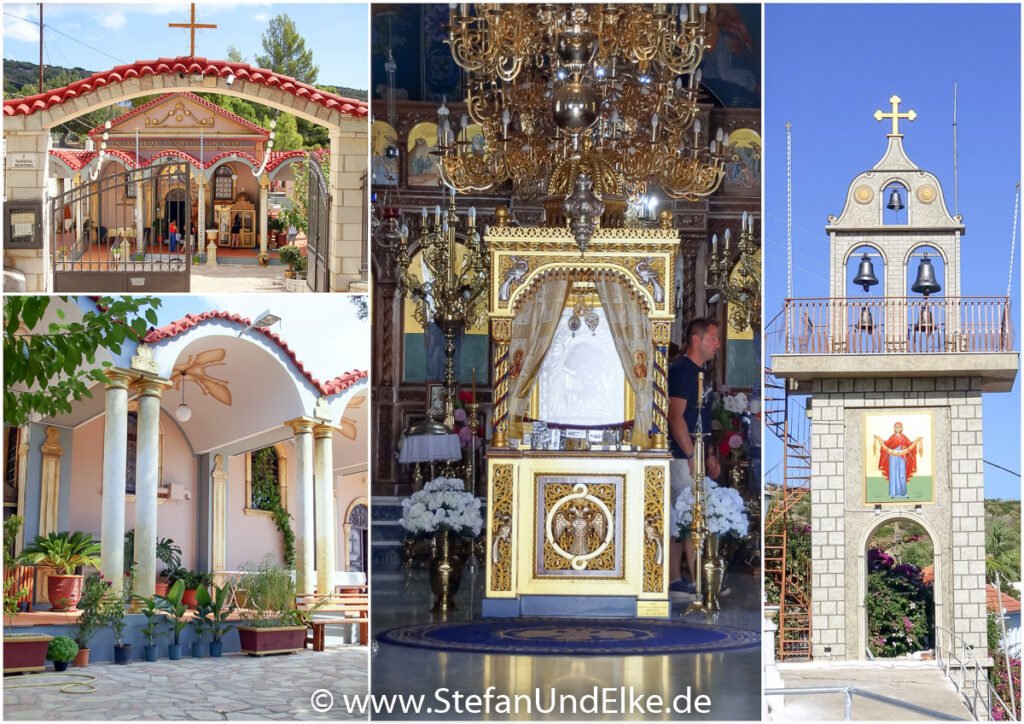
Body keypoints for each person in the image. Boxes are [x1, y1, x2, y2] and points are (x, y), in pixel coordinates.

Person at [667, 318, 721, 599]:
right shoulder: (680, 372)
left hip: (698, 453)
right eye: (713, 338)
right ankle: (697, 579)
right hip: (681, 456)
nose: (717, 344)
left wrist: (709, 453)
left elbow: (702, 417)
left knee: (687, 516)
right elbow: (675, 417)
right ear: (696, 339)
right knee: (688, 517)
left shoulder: (703, 374)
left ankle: (680, 579)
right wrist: (690, 454)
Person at [875, 422, 922, 499]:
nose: (898, 429)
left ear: (901, 428)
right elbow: (886, 444)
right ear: (894, 428)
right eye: (896, 427)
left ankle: (903, 494)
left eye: (899, 427)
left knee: (902, 474)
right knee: (893, 474)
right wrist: (879, 439)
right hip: (892, 457)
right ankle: (893, 494)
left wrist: (917, 440)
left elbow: (910, 444)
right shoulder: (892, 437)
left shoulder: (904, 437)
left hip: (902, 457)